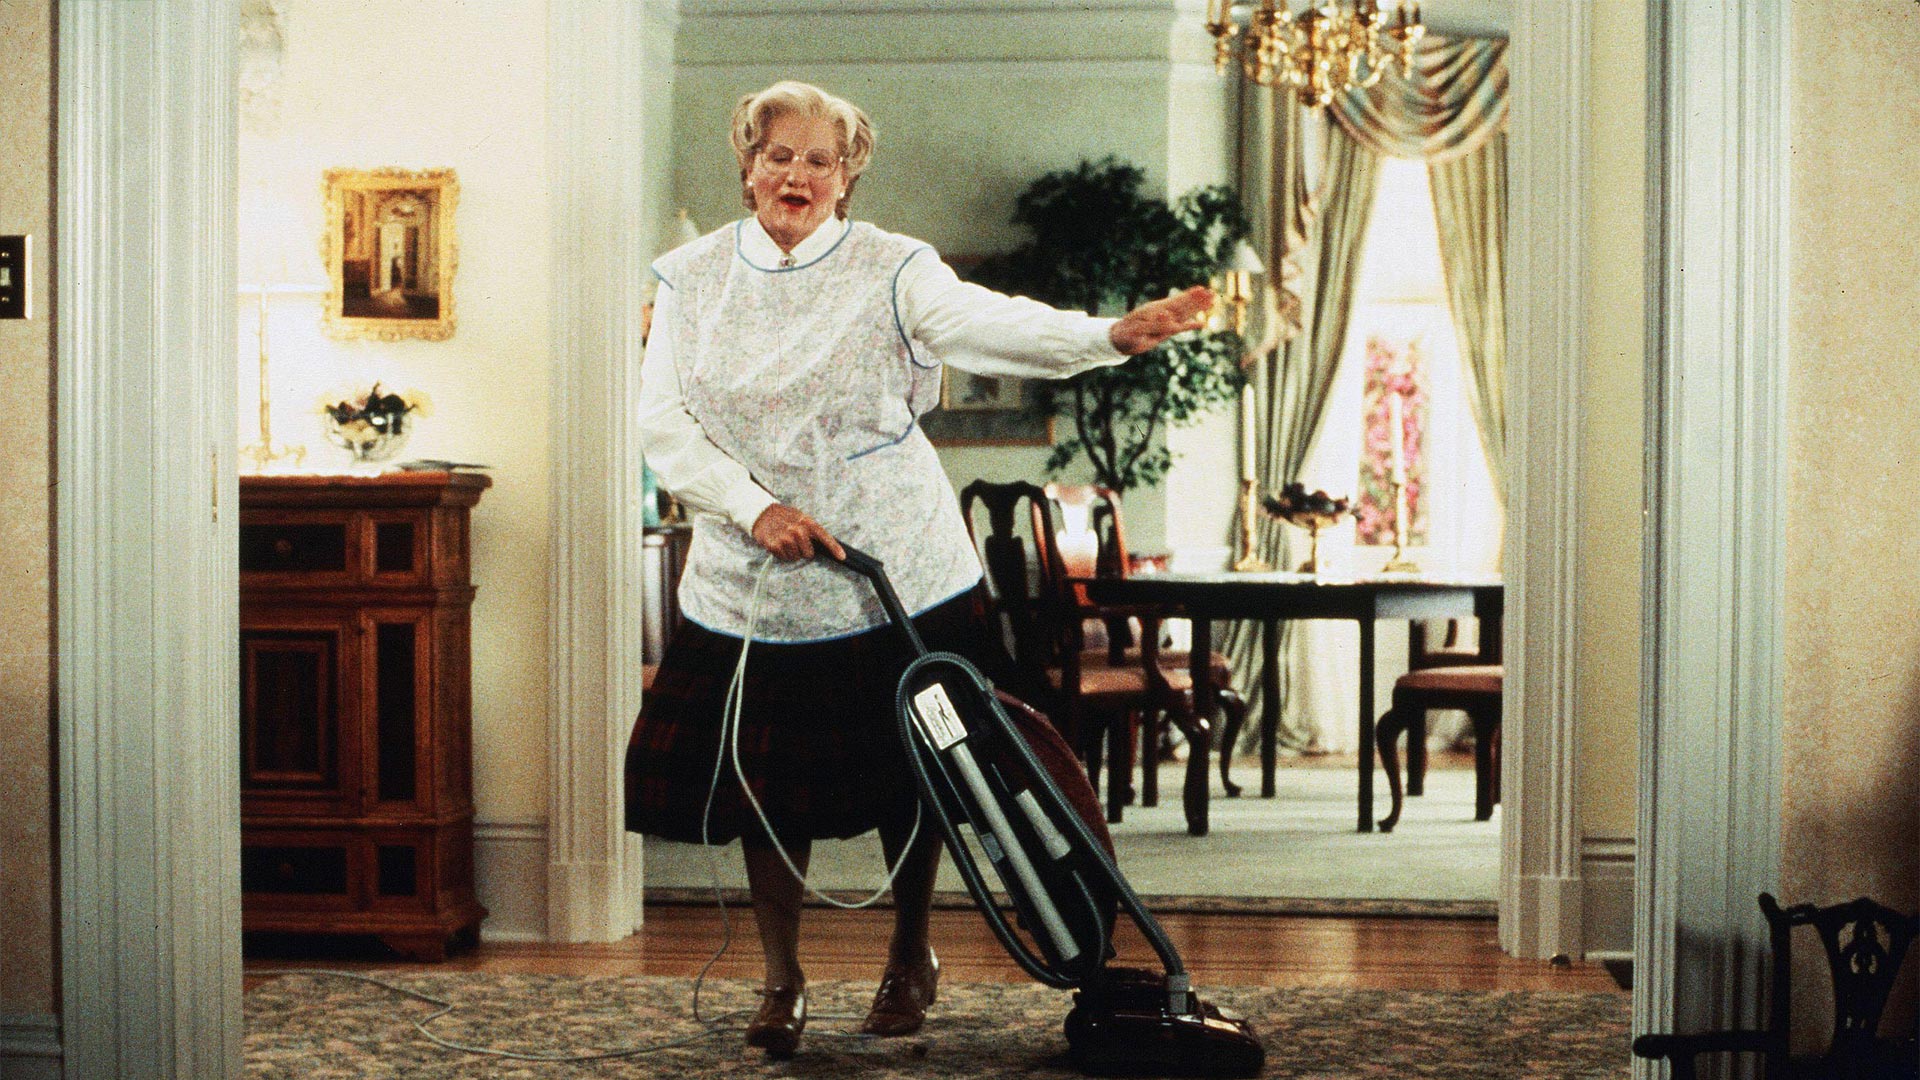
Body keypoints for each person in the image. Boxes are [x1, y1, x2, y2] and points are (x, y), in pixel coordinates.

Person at [624, 80, 1213, 1060]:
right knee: (766, 792)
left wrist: (1104, 337)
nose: (798, 175)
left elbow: (990, 323)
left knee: (920, 777)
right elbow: (664, 423)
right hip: (751, 580)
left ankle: (908, 955)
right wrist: (751, 506)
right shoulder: (689, 279)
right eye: (779, 155)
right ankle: (780, 978)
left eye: (821, 161)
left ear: (847, 177)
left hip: (898, 571)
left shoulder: (893, 267)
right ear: (748, 165)